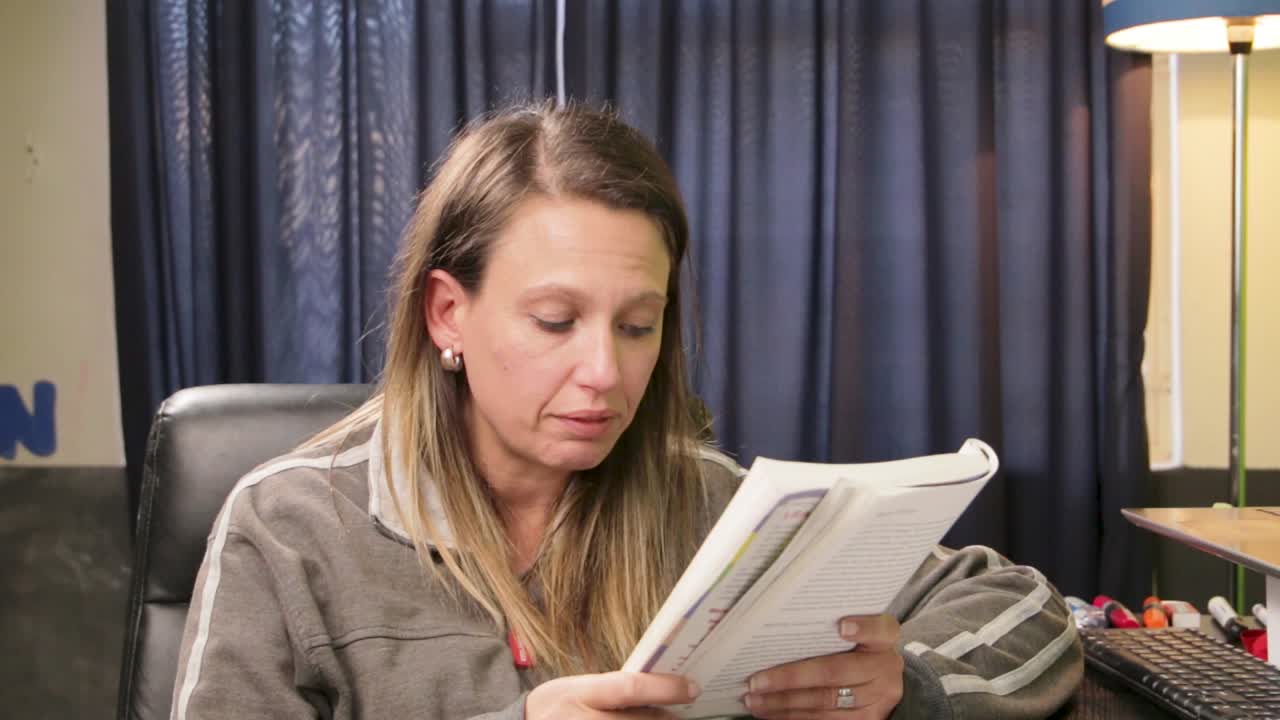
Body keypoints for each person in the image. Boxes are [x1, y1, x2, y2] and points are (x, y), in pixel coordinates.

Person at [170, 103, 1082, 720]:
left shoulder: (712, 505)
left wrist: (910, 686)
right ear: (448, 312)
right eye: (556, 322)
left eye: (639, 326)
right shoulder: (288, 528)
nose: (604, 372)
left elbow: (1026, 607)